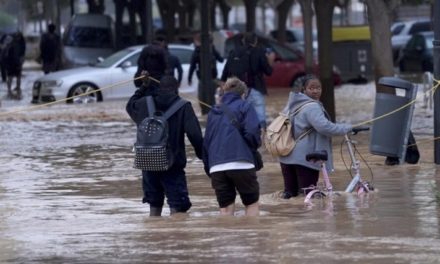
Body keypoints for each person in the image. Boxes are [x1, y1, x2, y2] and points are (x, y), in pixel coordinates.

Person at [126, 75, 203, 216]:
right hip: (173, 164)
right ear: (176, 88)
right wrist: (203, 155)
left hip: (148, 162)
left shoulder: (143, 103)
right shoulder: (183, 106)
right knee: (178, 206)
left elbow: (130, 105)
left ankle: (155, 234)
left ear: (159, 87)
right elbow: (195, 135)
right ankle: (175, 235)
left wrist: (143, 87)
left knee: (154, 204)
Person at [278, 74, 352, 196]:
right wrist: (346, 128)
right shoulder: (312, 106)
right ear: (304, 89)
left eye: (318, 88)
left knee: (290, 196)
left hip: (286, 156)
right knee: (309, 195)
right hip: (305, 158)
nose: (316, 91)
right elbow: (325, 127)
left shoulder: (292, 104)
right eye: (311, 88)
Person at [203, 77, 261, 216]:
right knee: (251, 204)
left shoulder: (213, 111)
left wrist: (209, 167)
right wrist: (252, 148)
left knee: (226, 210)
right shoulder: (245, 106)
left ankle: (227, 236)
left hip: (217, 166)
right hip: (242, 164)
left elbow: (206, 142)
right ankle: (254, 236)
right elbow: (252, 133)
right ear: (243, 94)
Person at [221, 32, 275, 130]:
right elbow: (268, 71)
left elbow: (225, 72)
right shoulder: (259, 52)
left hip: (237, 90)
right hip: (255, 88)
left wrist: (223, 89)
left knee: (239, 115)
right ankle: (260, 138)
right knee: (259, 116)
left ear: (243, 41)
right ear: (255, 41)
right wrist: (270, 60)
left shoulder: (234, 52)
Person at [188, 32, 223, 115]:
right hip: (210, 78)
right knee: (209, 98)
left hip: (206, 79)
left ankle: (208, 113)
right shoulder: (202, 51)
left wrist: (189, 78)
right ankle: (210, 113)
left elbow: (192, 66)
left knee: (205, 98)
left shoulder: (199, 51)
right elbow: (220, 59)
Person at [2, 32, 26, 99]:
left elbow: (5, 55)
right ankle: (13, 90)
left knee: (12, 77)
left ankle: (12, 90)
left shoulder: (12, 44)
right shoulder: (18, 44)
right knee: (13, 77)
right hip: (14, 64)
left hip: (12, 64)